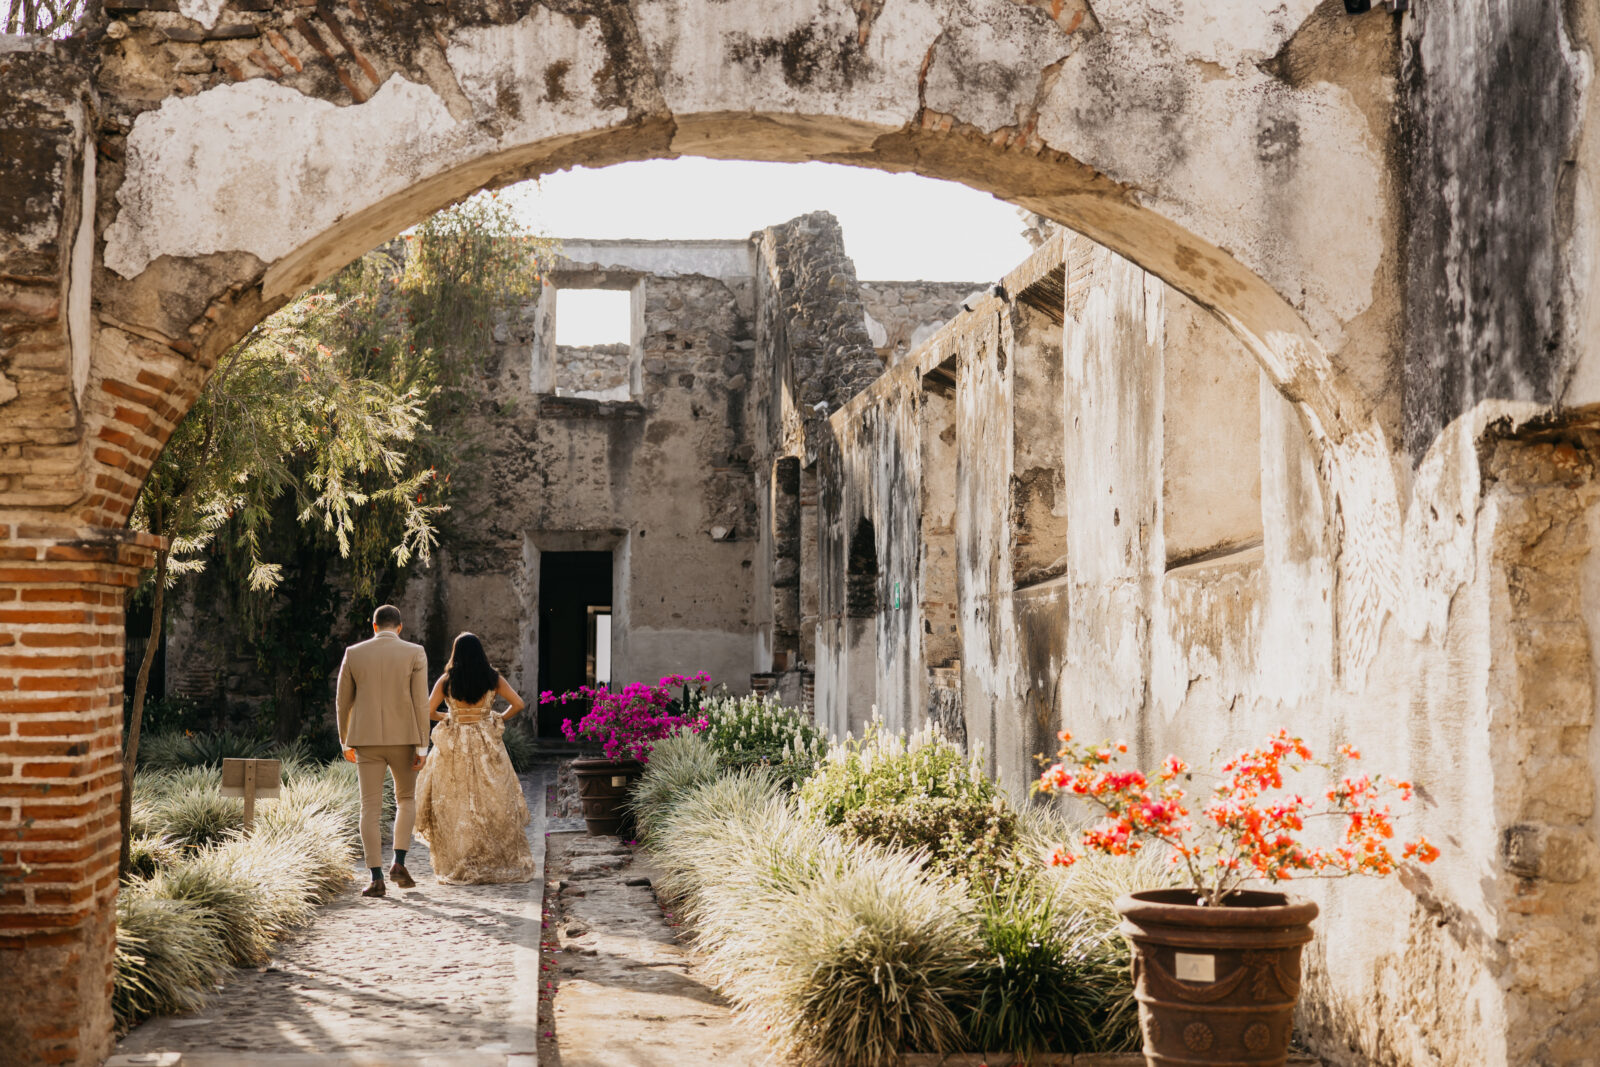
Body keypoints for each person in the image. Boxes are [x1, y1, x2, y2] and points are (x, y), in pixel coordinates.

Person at [414, 632, 537, 884]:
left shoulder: (447, 680)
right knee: (491, 798)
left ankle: (463, 857)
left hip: (455, 743)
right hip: (485, 743)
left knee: (457, 801)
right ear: (481, 652)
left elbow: (427, 710)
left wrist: (448, 717)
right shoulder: (493, 678)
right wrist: (498, 717)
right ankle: (492, 856)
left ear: (455, 653)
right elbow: (519, 704)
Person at [336, 604, 431, 898]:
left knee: (370, 808)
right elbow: (420, 702)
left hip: (365, 740)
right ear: (399, 627)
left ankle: (375, 877)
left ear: (374, 626)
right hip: (404, 738)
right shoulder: (415, 653)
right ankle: (399, 862)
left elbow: (342, 702)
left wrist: (345, 741)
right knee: (405, 799)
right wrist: (423, 744)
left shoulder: (354, 653)